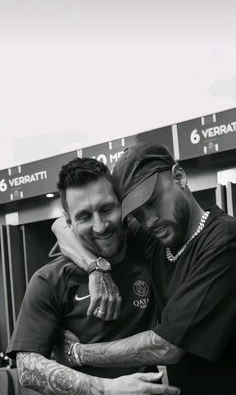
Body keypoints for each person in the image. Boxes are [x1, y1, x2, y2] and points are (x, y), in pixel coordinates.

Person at [54, 143, 236, 395]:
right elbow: (62, 226)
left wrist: (77, 353)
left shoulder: (224, 239)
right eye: (137, 213)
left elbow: (167, 346)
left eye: (153, 201)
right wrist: (96, 268)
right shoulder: (156, 237)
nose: (149, 220)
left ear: (179, 177)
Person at [6, 156, 180, 395]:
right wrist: (107, 389)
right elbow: (27, 367)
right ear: (69, 222)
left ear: (122, 205)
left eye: (107, 209)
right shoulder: (49, 280)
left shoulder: (150, 249)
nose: (100, 226)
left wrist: (96, 267)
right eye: (85, 216)